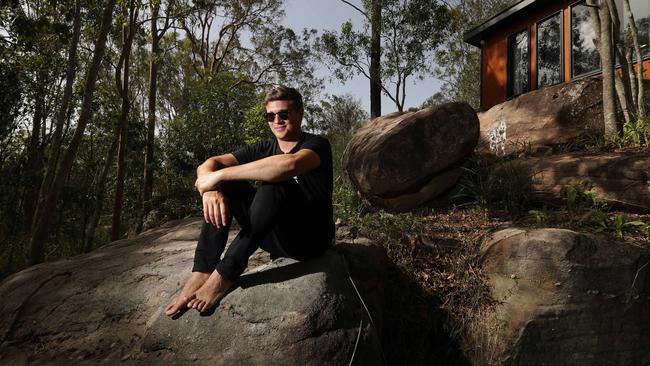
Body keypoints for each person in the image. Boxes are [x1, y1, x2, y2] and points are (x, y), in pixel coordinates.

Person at [165, 85, 334, 316]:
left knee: (274, 184)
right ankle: (203, 270)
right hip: (272, 238)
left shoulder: (317, 145)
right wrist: (211, 189)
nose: (277, 120)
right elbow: (208, 164)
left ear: (299, 113)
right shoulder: (264, 147)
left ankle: (225, 274)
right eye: (270, 116)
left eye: (283, 114)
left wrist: (219, 176)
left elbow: (288, 165)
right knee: (226, 184)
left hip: (309, 241)